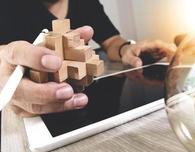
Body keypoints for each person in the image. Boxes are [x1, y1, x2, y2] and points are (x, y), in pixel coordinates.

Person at [0, 0, 176, 117]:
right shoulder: (8, 7)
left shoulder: (87, 3)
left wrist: (127, 48)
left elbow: (112, 40)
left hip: (95, 110)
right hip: (27, 117)